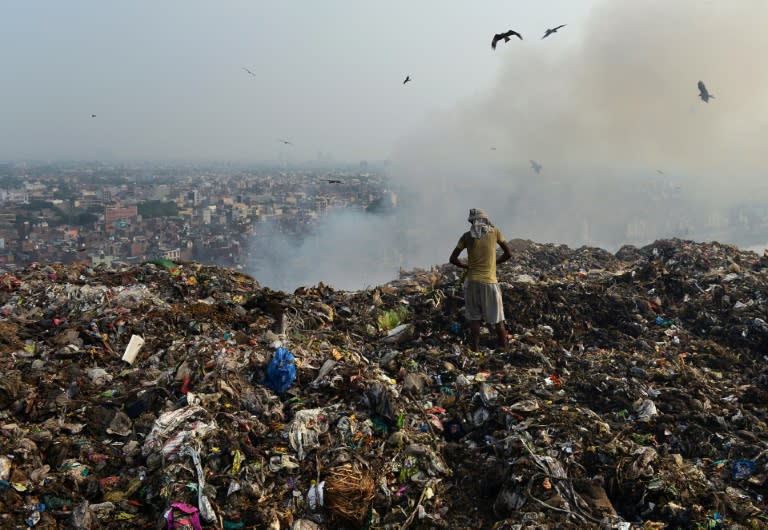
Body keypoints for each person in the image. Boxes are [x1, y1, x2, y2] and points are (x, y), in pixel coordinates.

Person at [449, 208, 512, 352]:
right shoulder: (495, 232)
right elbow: (508, 254)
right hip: (489, 282)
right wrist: (494, 262)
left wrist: (466, 266)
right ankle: (504, 348)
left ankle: (474, 350)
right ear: (485, 220)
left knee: (474, 319)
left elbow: (453, 259)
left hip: (471, 282)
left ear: (472, 221)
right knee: (498, 319)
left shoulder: (466, 236)